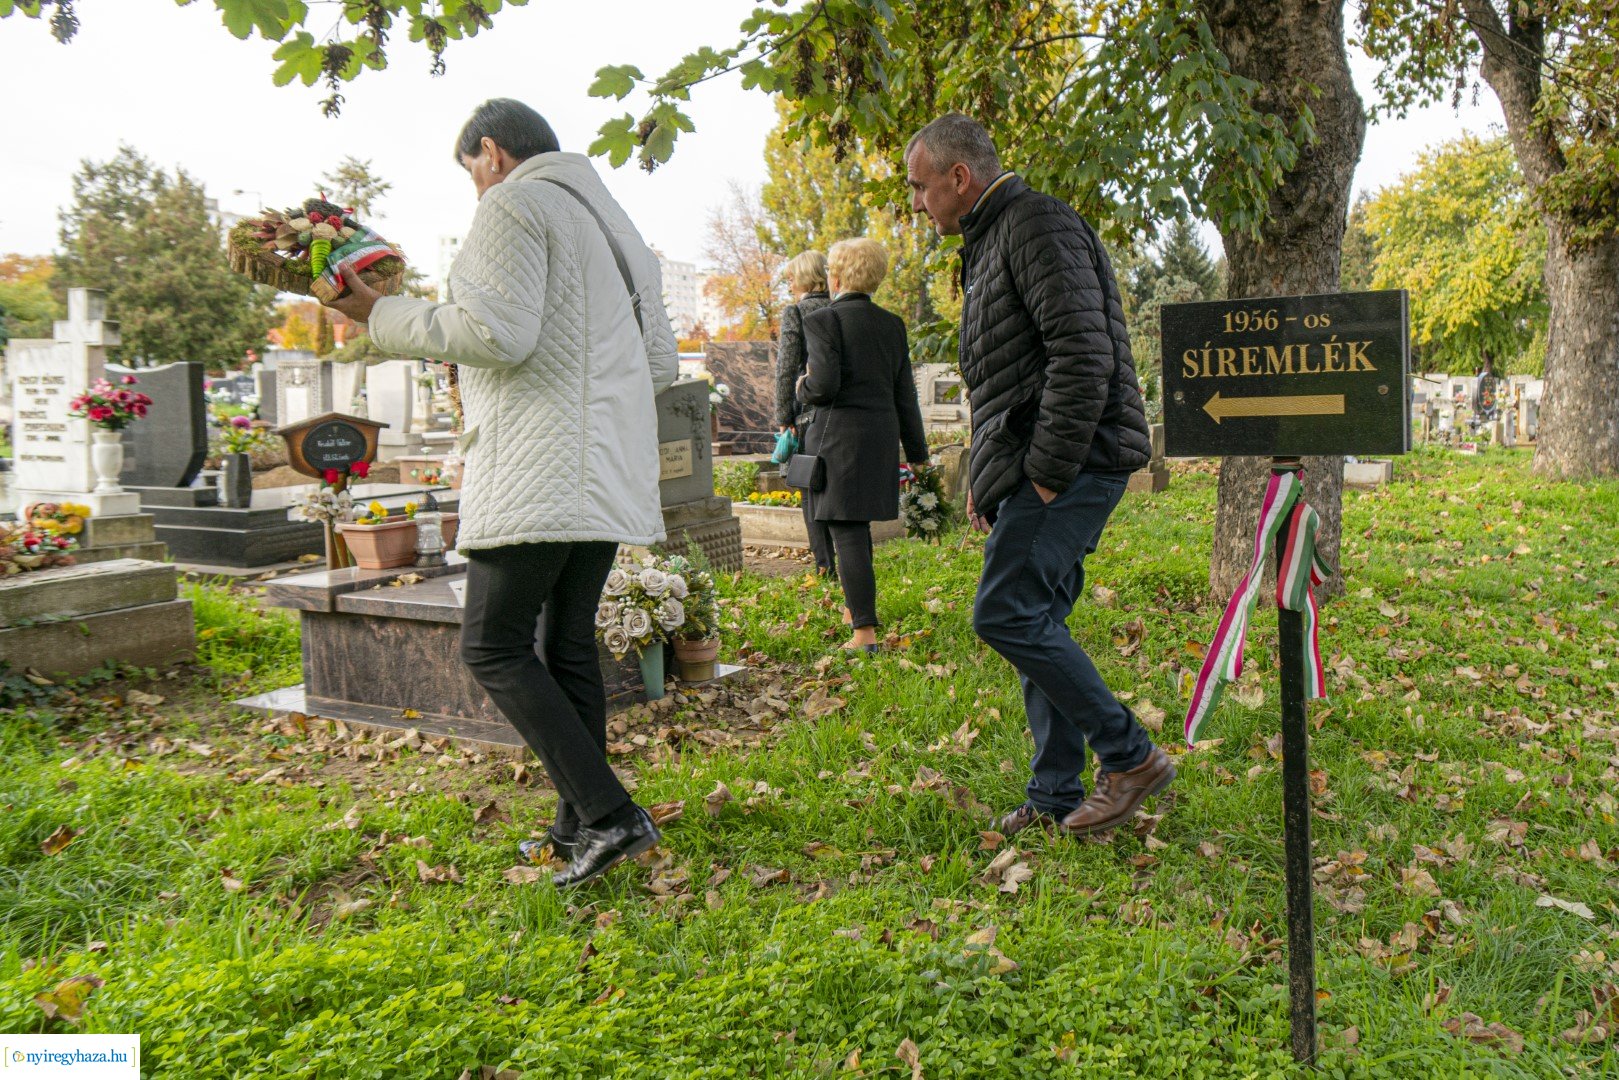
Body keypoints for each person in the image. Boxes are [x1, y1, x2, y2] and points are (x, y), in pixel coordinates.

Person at [322, 98, 678, 888]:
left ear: (492, 152)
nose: (476, 193)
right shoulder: (615, 226)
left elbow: (497, 335)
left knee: (491, 645)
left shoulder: (514, 204)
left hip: (537, 467)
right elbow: (658, 366)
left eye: (472, 175)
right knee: (567, 643)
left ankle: (613, 817)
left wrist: (379, 313)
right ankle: (575, 824)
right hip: (605, 467)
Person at [904, 113, 1174, 837]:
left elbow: (1082, 357)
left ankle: (1131, 756)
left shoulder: (1034, 224)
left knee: (1004, 613)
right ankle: (1056, 795)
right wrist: (991, 482)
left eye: (921, 187)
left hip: (1073, 461)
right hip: (1039, 462)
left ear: (958, 178)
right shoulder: (994, 236)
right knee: (1035, 620)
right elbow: (1009, 378)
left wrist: (1047, 477)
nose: (918, 203)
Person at [797, 238, 929, 652]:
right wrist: (919, 454)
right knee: (857, 528)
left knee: (846, 532)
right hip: (880, 439)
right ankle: (856, 611)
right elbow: (905, 393)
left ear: (836, 277)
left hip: (838, 440)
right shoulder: (892, 324)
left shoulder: (823, 321)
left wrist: (802, 386)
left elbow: (824, 385)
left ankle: (865, 634)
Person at [774, 250, 836, 575]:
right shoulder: (839, 309)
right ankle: (848, 558)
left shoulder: (795, 313)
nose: (788, 282)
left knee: (810, 489)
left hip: (808, 415)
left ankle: (825, 564)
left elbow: (786, 368)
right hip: (840, 415)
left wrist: (784, 417)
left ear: (803, 277)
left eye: (791, 276)